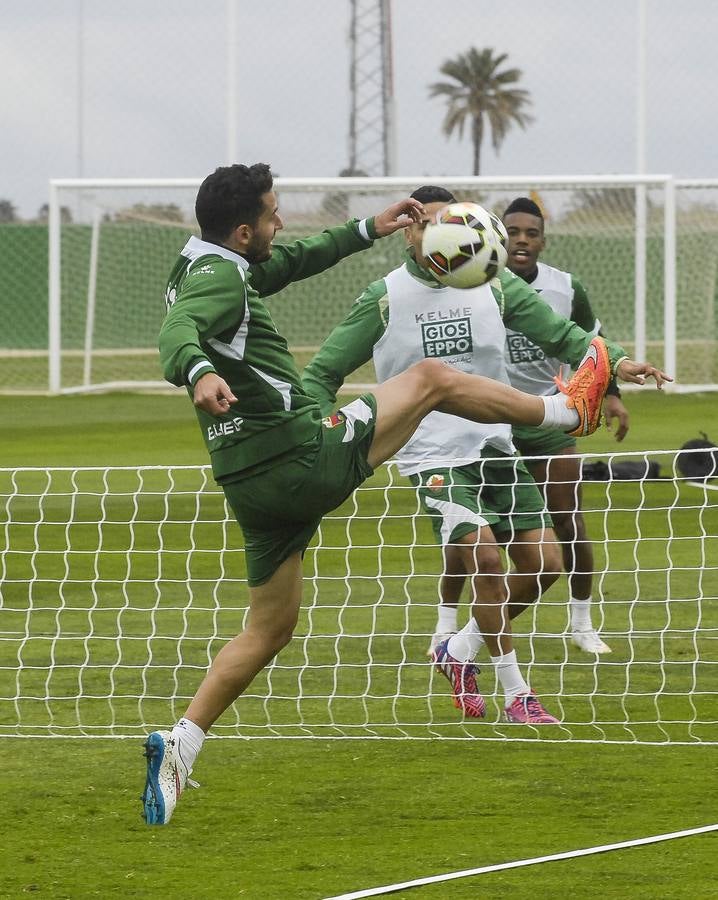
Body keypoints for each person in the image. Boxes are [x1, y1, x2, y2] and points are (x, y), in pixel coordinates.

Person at [143, 164, 667, 826]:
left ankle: (180, 749)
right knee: (430, 379)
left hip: (251, 482)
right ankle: (564, 415)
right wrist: (196, 371)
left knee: (270, 627)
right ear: (243, 230)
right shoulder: (229, 280)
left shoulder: (206, 263)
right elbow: (180, 334)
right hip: (301, 456)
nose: (281, 224)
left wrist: (366, 226)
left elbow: (294, 260)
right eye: (273, 215)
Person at [302, 184, 669, 730]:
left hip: (496, 446)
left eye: (449, 221)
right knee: (487, 561)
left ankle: (458, 650)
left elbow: (565, 336)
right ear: (408, 230)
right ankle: (518, 695)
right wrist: (314, 434)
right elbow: (320, 376)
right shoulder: (385, 297)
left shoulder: (492, 286)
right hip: (431, 457)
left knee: (546, 565)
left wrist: (619, 364)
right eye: (424, 223)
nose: (438, 233)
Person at [502, 196, 629, 654]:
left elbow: (592, 347)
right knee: (472, 531)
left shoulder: (565, 288)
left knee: (569, 521)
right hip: (491, 422)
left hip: (550, 418)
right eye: (512, 231)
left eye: (530, 233)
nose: (521, 240)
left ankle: (581, 622)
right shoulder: (475, 283)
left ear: (542, 240)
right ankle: (448, 623)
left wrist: (611, 395)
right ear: (499, 235)